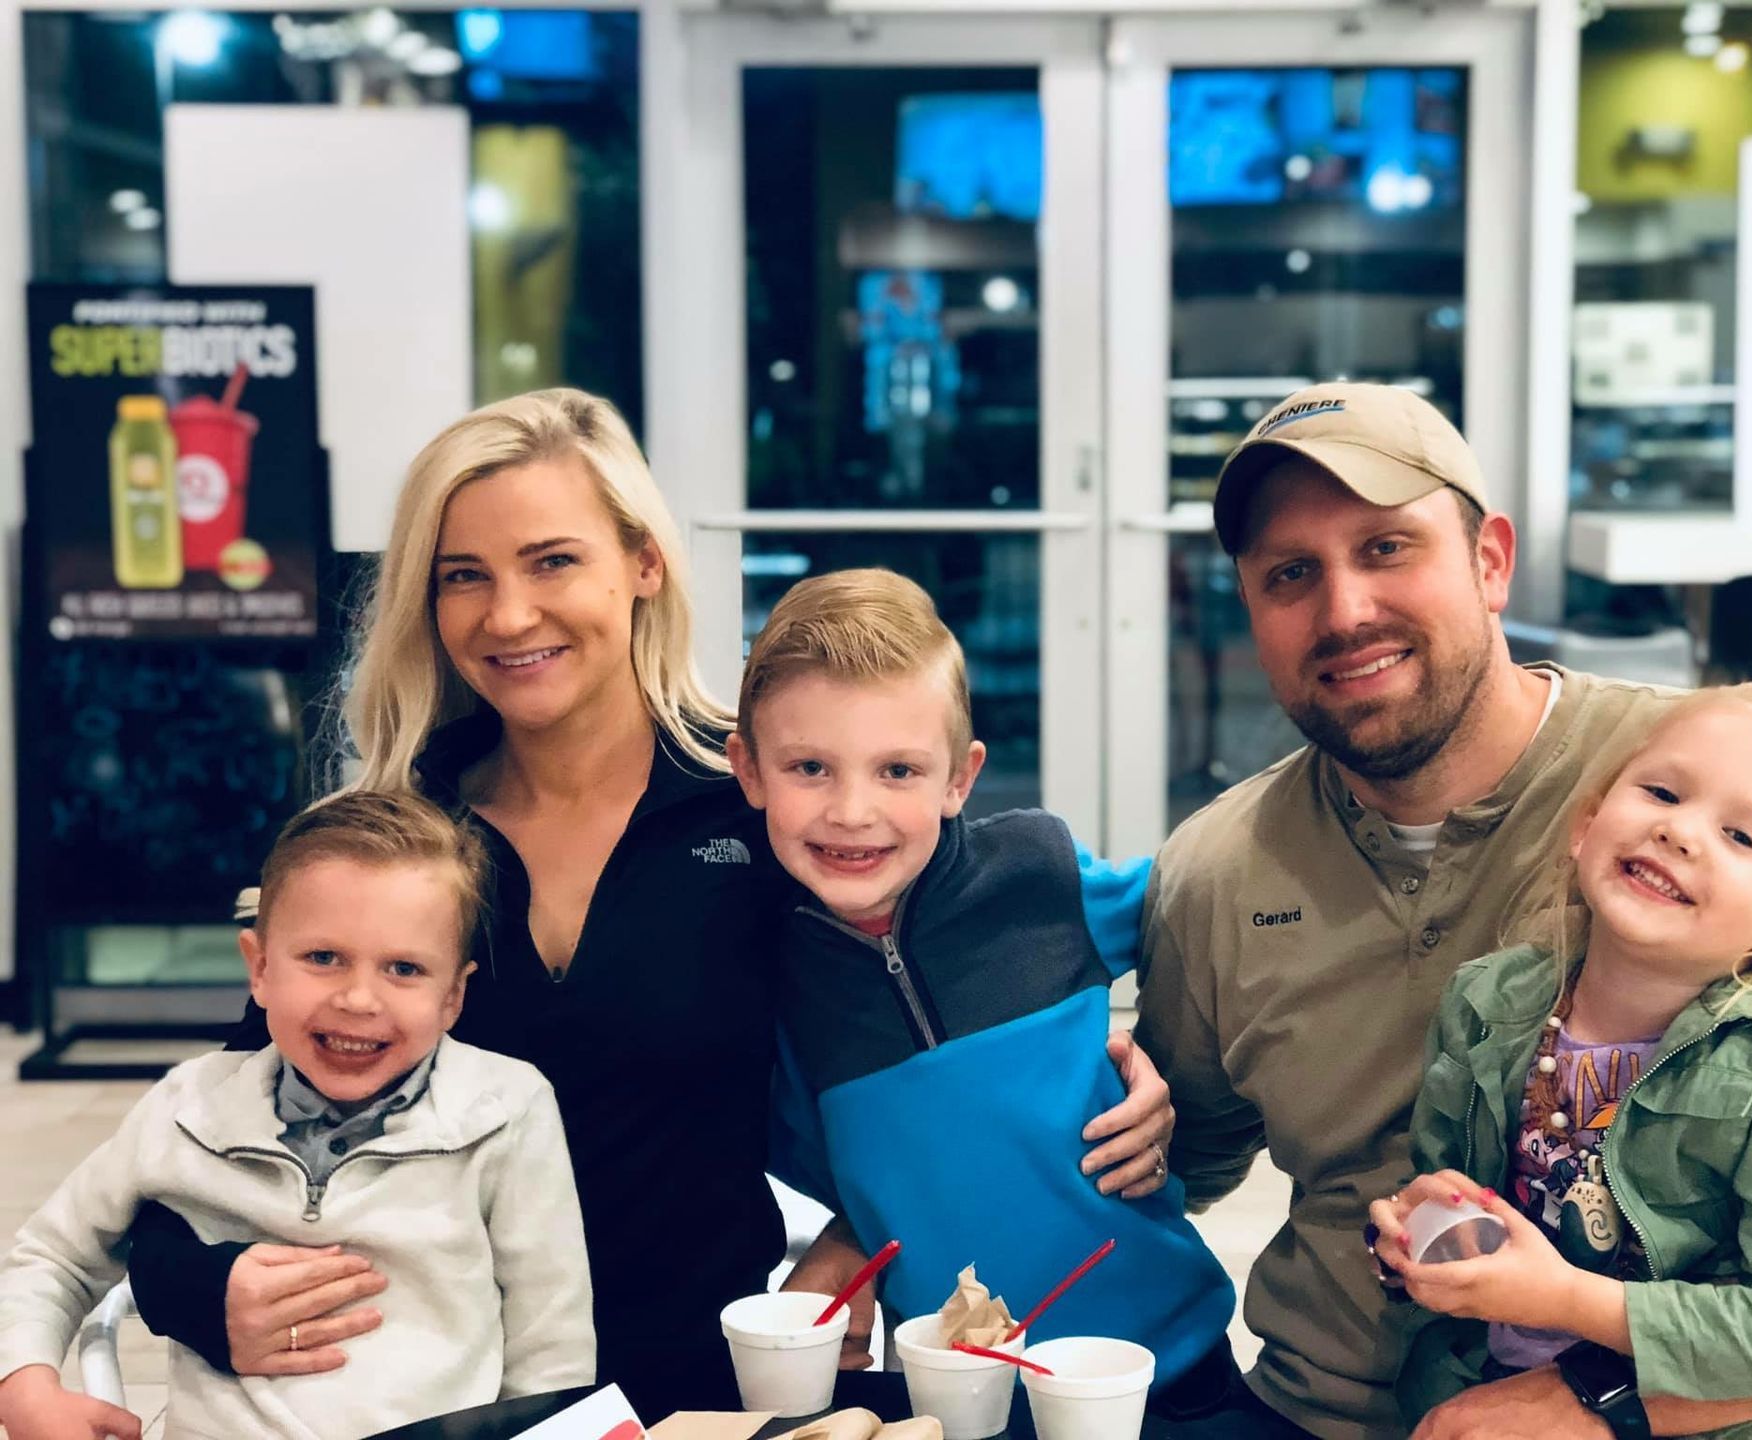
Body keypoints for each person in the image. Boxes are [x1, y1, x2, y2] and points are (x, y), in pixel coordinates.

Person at [121, 389, 1173, 1420]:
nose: (510, 613)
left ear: (643, 562)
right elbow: (213, 1124)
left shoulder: (774, 808)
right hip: (434, 1386)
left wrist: (1133, 1071)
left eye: (551, 560)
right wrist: (205, 1298)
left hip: (706, 1387)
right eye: (463, 576)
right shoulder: (396, 846)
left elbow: (967, 962)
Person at [1132, 381, 1752, 1440]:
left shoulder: (1733, 789)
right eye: (1290, 574)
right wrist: (1119, 1121)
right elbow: (1183, 1160)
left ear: (1491, 561)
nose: (1345, 610)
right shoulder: (1217, 869)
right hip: (1318, 1409)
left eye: (1385, 548)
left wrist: (1612, 1400)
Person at [1374, 654, 1752, 1437]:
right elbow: (1444, 1198)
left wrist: (1563, 1300)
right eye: (1662, 792)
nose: (1679, 829)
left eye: (1740, 836)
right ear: (1586, 823)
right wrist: (1407, 1237)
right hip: (1479, 1396)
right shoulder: (1485, 1004)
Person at [728, 569, 1237, 1399]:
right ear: (749, 772)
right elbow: (852, 1174)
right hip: (962, 1395)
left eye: (898, 770)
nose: (853, 811)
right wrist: (845, 1237)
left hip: (1171, 1364)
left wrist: (1174, 1077)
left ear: (960, 779)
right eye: (810, 767)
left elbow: (1209, 918)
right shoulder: (770, 978)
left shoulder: (1038, 872)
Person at [0, 792, 594, 1440]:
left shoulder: (506, 1110)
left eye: (404, 968)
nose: (359, 998)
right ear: (258, 969)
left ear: (452, 996)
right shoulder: (186, 1105)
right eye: (323, 958)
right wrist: (24, 1388)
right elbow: (51, 1258)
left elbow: (551, 1347)